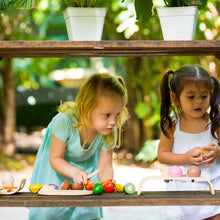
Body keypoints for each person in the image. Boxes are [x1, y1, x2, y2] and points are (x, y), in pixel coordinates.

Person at [28, 72, 129, 220]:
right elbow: (55, 158)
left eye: (117, 114)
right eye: (107, 115)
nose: (113, 121)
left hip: (86, 169)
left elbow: (105, 165)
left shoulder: (108, 130)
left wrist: (106, 182)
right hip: (56, 168)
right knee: (50, 211)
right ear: (86, 108)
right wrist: (74, 172)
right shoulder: (64, 122)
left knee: (87, 212)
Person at [158, 65, 220, 220]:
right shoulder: (172, 124)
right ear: (176, 98)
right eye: (191, 97)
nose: (198, 102)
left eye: (204, 96)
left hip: (212, 193)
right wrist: (185, 158)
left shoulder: (215, 123)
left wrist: (218, 151)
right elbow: (162, 155)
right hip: (181, 194)